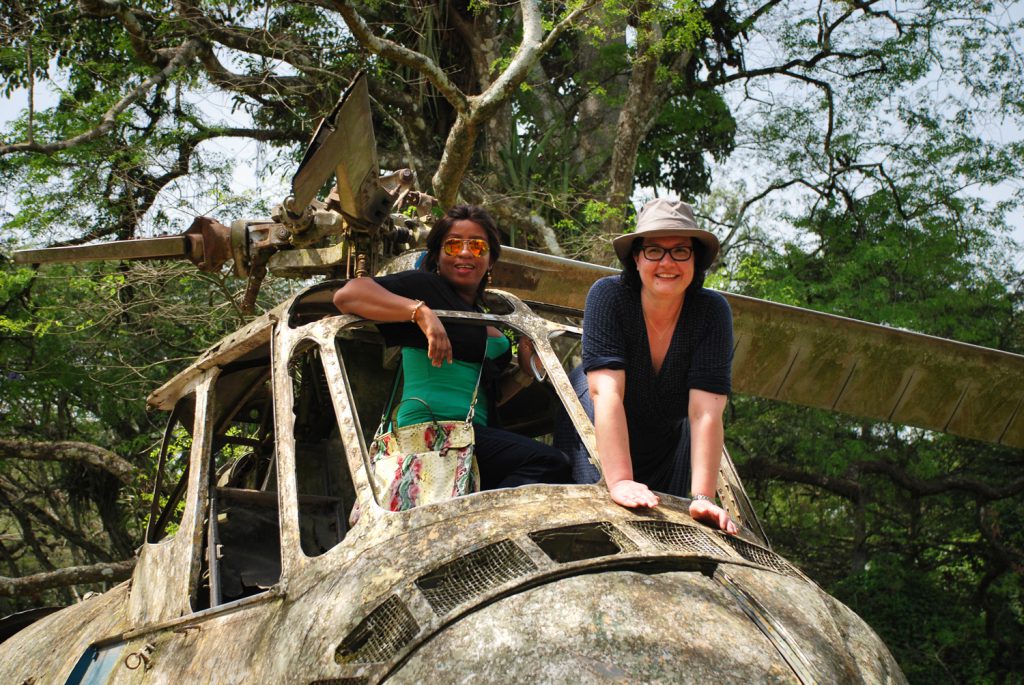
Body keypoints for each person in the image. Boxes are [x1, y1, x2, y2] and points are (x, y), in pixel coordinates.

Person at [332, 204, 571, 491]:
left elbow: (489, 398)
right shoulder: (425, 287)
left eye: (478, 247)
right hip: (432, 431)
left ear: (491, 259)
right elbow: (348, 295)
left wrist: (524, 372)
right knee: (551, 461)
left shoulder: (486, 314)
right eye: (453, 245)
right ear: (437, 255)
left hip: (471, 435)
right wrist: (421, 313)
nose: (466, 253)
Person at [557, 198, 737, 534]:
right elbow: (605, 392)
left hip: (667, 432)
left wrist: (703, 496)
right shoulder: (608, 297)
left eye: (680, 250)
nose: (667, 262)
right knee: (596, 524)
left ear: (695, 260)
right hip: (597, 418)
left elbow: (705, 412)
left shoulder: (712, 312)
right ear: (637, 258)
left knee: (668, 527)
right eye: (654, 250)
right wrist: (621, 480)